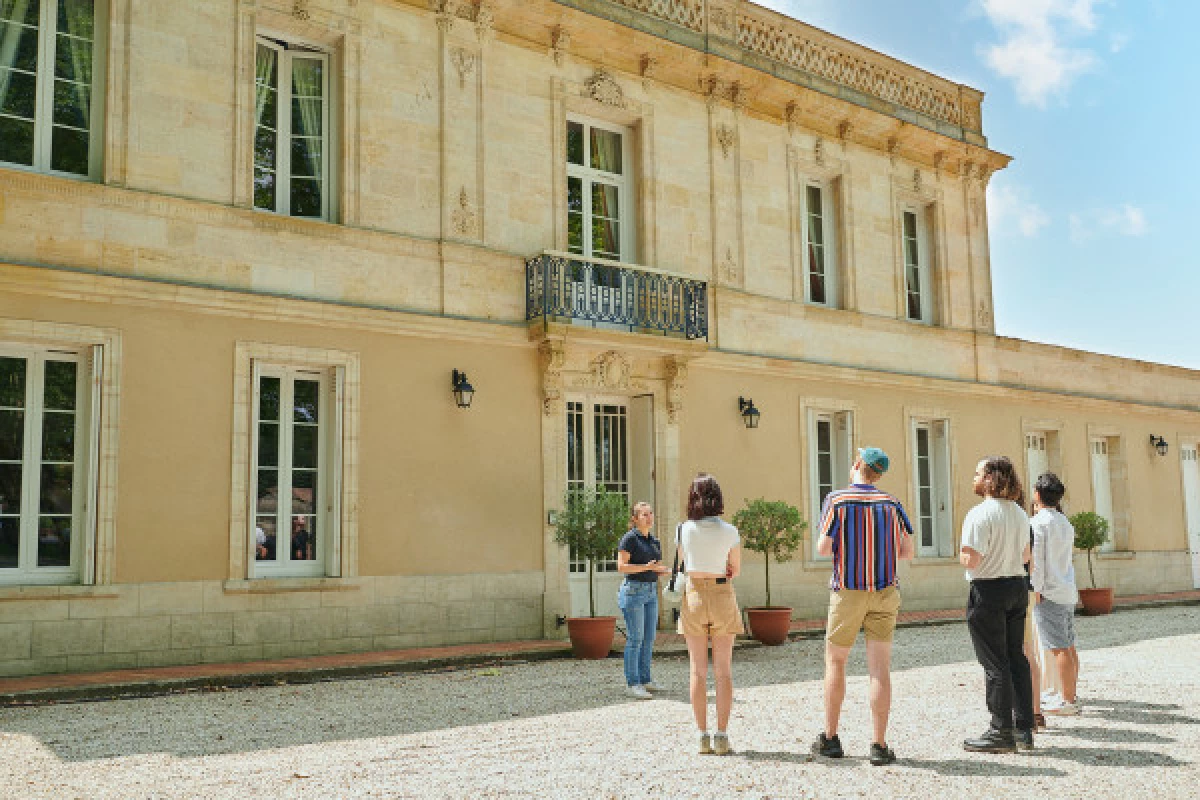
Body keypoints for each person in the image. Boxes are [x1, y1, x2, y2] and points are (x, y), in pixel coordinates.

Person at [811, 447, 915, 767]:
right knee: (879, 669)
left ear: (857, 465)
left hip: (848, 591)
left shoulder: (838, 500)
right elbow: (907, 551)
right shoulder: (892, 503)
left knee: (836, 662)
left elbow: (824, 547)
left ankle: (830, 739)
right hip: (885, 591)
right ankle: (879, 745)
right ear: (878, 472)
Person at [960, 456, 1035, 754]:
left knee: (994, 662)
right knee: (1016, 658)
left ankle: (999, 730)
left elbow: (972, 559)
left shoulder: (979, 514)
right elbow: (1027, 555)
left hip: (988, 589)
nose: (974, 477)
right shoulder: (1019, 513)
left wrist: (962, 557)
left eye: (978, 473)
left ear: (991, 478)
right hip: (1017, 586)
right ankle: (1024, 728)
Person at [677, 474, 742, 756]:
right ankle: (722, 735)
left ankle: (701, 735)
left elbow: (682, 564)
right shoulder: (730, 531)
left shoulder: (683, 529)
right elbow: (735, 569)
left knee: (697, 670)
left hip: (693, 595)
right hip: (721, 593)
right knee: (723, 671)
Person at [1030, 473, 1082, 716]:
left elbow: (1037, 561)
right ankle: (1071, 694)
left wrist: (1036, 589)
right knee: (1068, 645)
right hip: (1066, 589)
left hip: (1050, 591)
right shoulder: (1064, 522)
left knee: (1058, 647)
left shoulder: (1038, 523)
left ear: (1038, 495)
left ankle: (1067, 700)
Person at [616, 501, 669, 699]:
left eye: (650, 513)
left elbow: (656, 568)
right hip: (633, 592)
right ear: (635, 519)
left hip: (650, 592)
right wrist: (646, 568)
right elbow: (622, 567)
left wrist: (671, 572)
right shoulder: (629, 539)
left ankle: (646, 679)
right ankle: (633, 683)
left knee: (648, 639)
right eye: (644, 514)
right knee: (635, 639)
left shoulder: (655, 541)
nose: (649, 517)